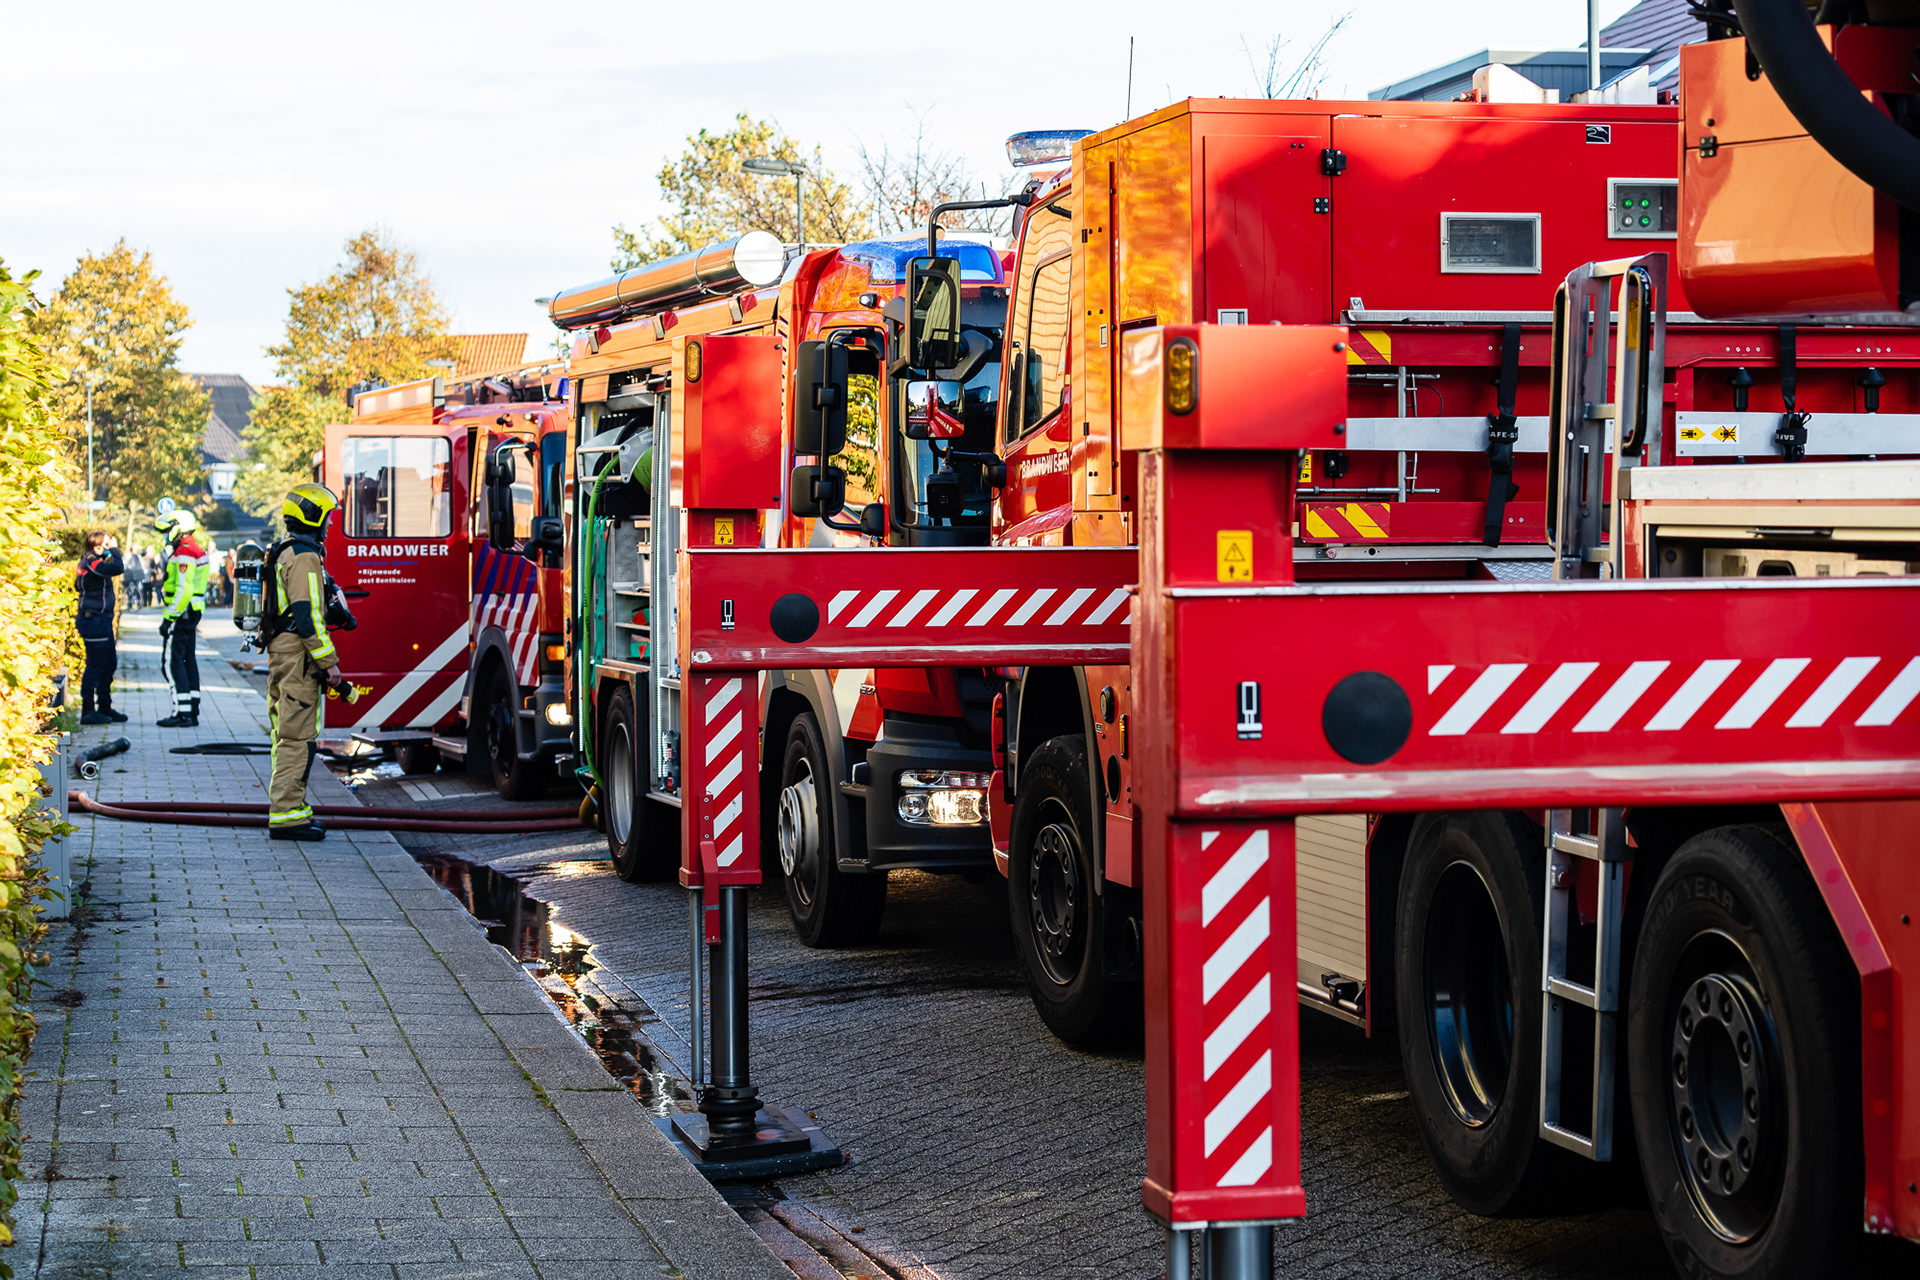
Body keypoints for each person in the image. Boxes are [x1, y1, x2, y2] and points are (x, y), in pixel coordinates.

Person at [261, 484, 347, 841]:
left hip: (284, 655)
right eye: (326, 518)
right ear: (312, 518)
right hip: (299, 659)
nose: (328, 526)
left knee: (285, 735)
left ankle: (292, 808)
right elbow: (307, 616)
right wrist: (331, 665)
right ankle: (287, 816)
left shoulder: (283, 551)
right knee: (298, 738)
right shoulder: (306, 557)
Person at [155, 510, 211, 728]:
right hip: (193, 611)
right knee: (189, 659)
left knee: (172, 663)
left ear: (178, 527)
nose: (166, 535)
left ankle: (181, 713)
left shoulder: (184, 551)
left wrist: (169, 618)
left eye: (168, 530)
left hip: (182, 612)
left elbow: (184, 589)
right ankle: (192, 710)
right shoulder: (196, 548)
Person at [75, 531, 126, 725]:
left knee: (109, 663)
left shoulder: (94, 560)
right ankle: (88, 711)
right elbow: (117, 568)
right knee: (95, 665)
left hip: (101, 620)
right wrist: (114, 550)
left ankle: (104, 707)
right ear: (97, 547)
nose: (108, 547)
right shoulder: (90, 561)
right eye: (106, 544)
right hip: (93, 620)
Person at [120, 544, 146, 613]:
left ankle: (139, 603)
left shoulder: (138, 555)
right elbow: (125, 564)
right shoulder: (128, 555)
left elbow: (144, 553)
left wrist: (140, 547)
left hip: (138, 575)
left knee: (139, 589)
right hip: (130, 575)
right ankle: (130, 603)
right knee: (131, 590)